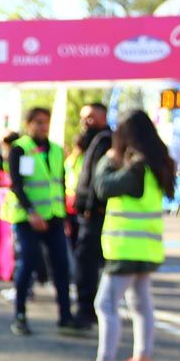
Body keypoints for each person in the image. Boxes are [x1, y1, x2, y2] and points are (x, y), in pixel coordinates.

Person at [70, 111, 173, 361]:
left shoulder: (135, 166)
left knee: (106, 303)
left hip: (126, 246)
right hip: (147, 246)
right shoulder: (156, 164)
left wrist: (107, 161)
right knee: (140, 303)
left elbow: (103, 187)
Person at [0, 107, 75, 336]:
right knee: (28, 264)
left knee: (61, 266)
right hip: (28, 219)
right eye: (38, 122)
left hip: (53, 217)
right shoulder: (20, 149)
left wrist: (64, 217)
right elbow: (17, 185)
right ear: (29, 123)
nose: (43, 126)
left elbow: (59, 184)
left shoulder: (55, 150)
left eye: (46, 122)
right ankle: (20, 314)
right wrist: (32, 213)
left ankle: (65, 316)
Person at [70, 103, 113, 331]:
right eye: (83, 117)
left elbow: (100, 178)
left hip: (94, 212)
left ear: (103, 115)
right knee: (90, 261)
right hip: (86, 210)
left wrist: (91, 205)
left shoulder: (106, 140)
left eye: (90, 116)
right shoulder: (91, 141)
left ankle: (86, 311)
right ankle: (94, 308)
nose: (86, 121)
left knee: (87, 261)